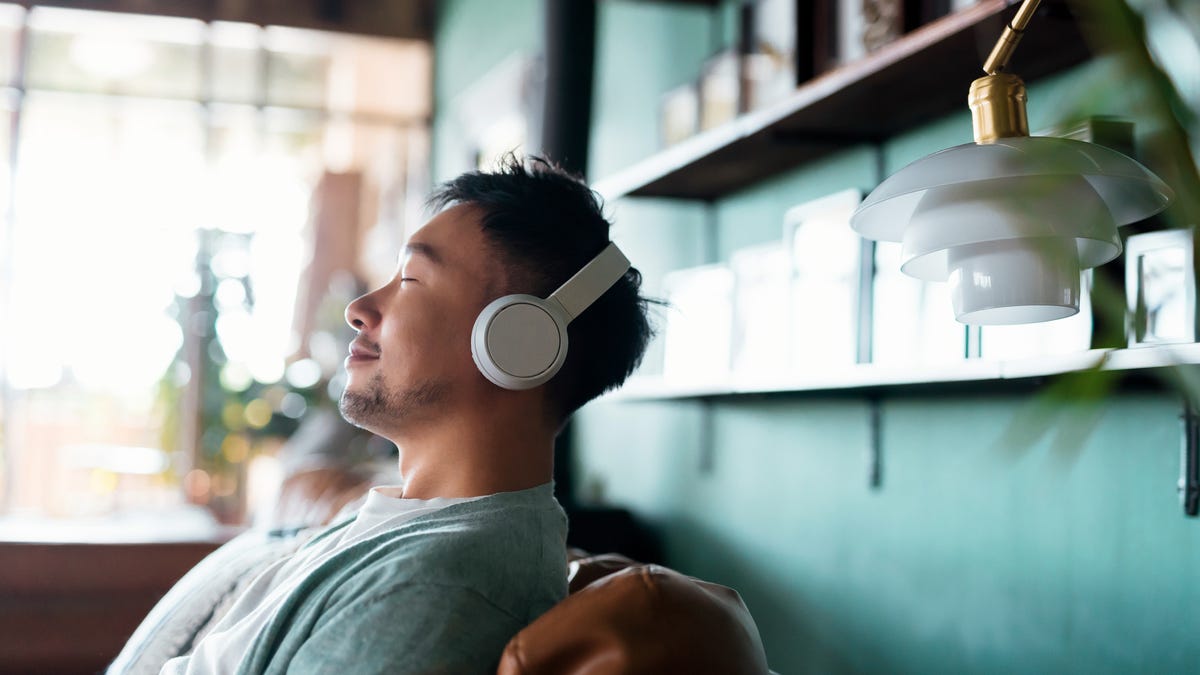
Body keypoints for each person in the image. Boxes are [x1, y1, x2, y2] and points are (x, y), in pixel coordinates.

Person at [152, 154, 656, 674]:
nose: (360, 308)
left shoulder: (440, 584)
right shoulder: (396, 523)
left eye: (411, 279)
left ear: (518, 341)